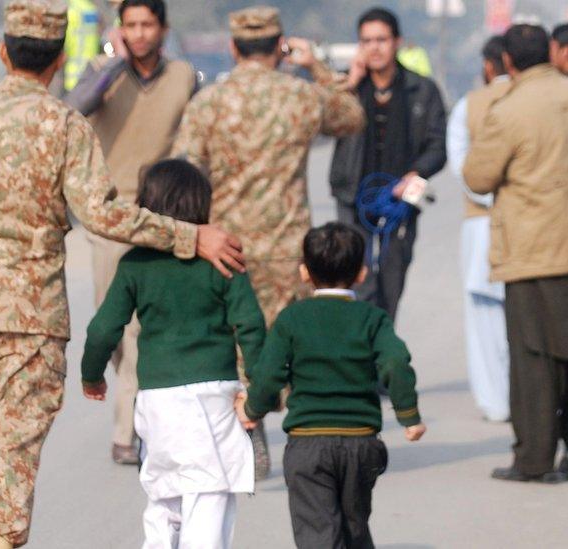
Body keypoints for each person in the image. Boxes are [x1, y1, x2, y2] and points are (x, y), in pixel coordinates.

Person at [0, 2, 244, 548]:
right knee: (9, 459)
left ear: (2, 51)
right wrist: (189, 235)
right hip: (31, 322)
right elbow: (104, 215)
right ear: (59, 59)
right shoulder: (64, 125)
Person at [171, 5, 365, 480]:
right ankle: (305, 436)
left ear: (234, 48)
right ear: (280, 47)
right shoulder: (301, 95)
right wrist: (316, 65)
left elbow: (184, 170)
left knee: (239, 345)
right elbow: (352, 116)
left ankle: (247, 424)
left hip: (227, 248)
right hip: (288, 248)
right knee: (294, 345)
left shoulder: (209, 103)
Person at [81, 159, 265, 549]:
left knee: (164, 495)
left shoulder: (135, 264)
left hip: (156, 400)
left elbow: (102, 329)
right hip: (213, 395)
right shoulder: (222, 259)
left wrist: (92, 374)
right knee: (210, 494)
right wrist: (258, 389)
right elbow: (250, 327)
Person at [463, 23, 568, 483]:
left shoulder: (508, 109)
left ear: (508, 61)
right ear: (550, 51)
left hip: (532, 252)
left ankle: (533, 458)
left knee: (534, 360)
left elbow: (477, 176)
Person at [234, 222, 425, 549]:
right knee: (354, 529)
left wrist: (251, 409)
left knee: (318, 533)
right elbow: (395, 363)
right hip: (361, 444)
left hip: (308, 444)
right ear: (362, 273)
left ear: (305, 272)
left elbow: (269, 374)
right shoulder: (372, 318)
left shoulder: (292, 318)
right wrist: (409, 415)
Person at [65, 0, 197, 466]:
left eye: (148, 24)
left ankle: (127, 431)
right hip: (109, 218)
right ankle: (133, 402)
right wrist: (116, 63)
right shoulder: (103, 71)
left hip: (160, 216)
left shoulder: (184, 75)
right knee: (113, 325)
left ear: (163, 28)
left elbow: (196, 135)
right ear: (121, 29)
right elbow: (71, 111)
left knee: (142, 327)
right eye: (131, 25)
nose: (140, 33)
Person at [329, 6, 447, 320]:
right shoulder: (350, 88)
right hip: (354, 198)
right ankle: (362, 355)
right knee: (359, 279)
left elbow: (438, 145)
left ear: (397, 42)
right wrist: (350, 83)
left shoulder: (422, 89)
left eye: (381, 39)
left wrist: (416, 173)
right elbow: (322, 118)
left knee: (392, 282)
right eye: (366, 41)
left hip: (399, 202)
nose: (374, 47)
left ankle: (382, 347)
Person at [446, 35, 510, 422]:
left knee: (484, 319)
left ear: (489, 66)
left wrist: (489, 197)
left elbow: (462, 168)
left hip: (481, 223)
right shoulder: (533, 104)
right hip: (526, 222)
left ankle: (495, 400)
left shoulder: (468, 106)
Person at [63, 0, 102, 92]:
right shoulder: (90, 8)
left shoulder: (70, 8)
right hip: (93, 69)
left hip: (73, 74)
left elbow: (66, 39)